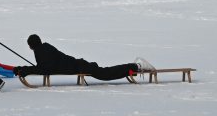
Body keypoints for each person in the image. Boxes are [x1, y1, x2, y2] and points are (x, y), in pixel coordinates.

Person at [12, 34, 144, 82]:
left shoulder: (41, 52)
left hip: (79, 66)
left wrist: (24, 70)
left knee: (105, 75)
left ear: (31, 46)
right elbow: (44, 67)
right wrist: (25, 69)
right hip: (77, 64)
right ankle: (133, 67)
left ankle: (135, 67)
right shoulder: (44, 48)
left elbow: (45, 69)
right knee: (104, 73)